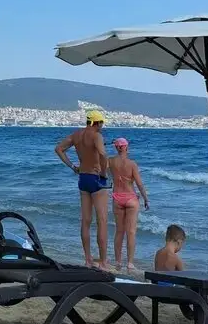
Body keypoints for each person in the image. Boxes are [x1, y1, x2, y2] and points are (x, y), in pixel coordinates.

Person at [55, 110, 110, 269]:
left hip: (83, 178)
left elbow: (59, 149)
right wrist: (103, 174)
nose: (102, 126)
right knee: (102, 221)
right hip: (96, 178)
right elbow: (103, 155)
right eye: (101, 123)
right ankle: (103, 262)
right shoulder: (97, 136)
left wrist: (73, 167)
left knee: (86, 221)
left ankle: (87, 260)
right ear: (96, 122)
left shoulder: (76, 135)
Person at [107, 138, 149, 272]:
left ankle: (118, 262)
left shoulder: (110, 161)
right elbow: (139, 183)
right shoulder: (132, 164)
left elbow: (106, 174)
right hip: (131, 198)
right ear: (126, 147)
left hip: (117, 197)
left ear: (116, 148)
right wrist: (146, 199)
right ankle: (130, 263)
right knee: (131, 232)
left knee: (119, 231)